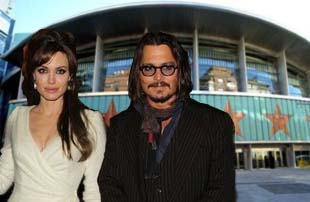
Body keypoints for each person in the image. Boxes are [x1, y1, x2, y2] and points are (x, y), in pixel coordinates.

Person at [98, 32, 236, 202]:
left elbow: (221, 193)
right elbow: (109, 185)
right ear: (138, 74)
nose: (158, 77)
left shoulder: (217, 123)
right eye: (148, 68)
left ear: (180, 71)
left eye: (167, 67)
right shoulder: (119, 126)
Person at [0, 29, 106, 201]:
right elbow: (4, 174)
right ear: (33, 74)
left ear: (70, 76)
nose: (51, 80)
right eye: (43, 70)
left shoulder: (90, 122)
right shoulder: (17, 116)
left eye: (60, 71)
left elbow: (94, 191)